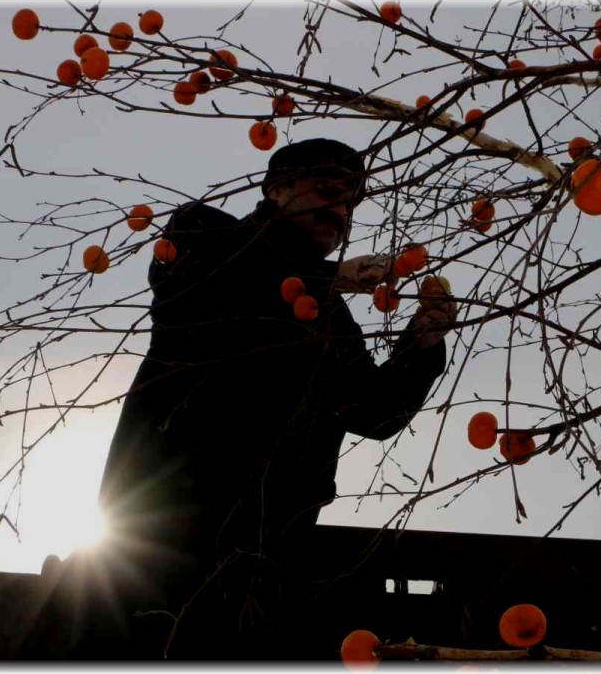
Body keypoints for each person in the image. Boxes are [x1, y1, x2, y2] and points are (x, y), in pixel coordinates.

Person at [26, 138, 455, 660]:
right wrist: (333, 277)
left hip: (264, 558)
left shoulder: (331, 320)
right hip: (159, 533)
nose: (340, 211)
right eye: (327, 191)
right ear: (277, 189)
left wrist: (424, 342)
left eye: (350, 204)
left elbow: (374, 410)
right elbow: (214, 279)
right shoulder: (201, 234)